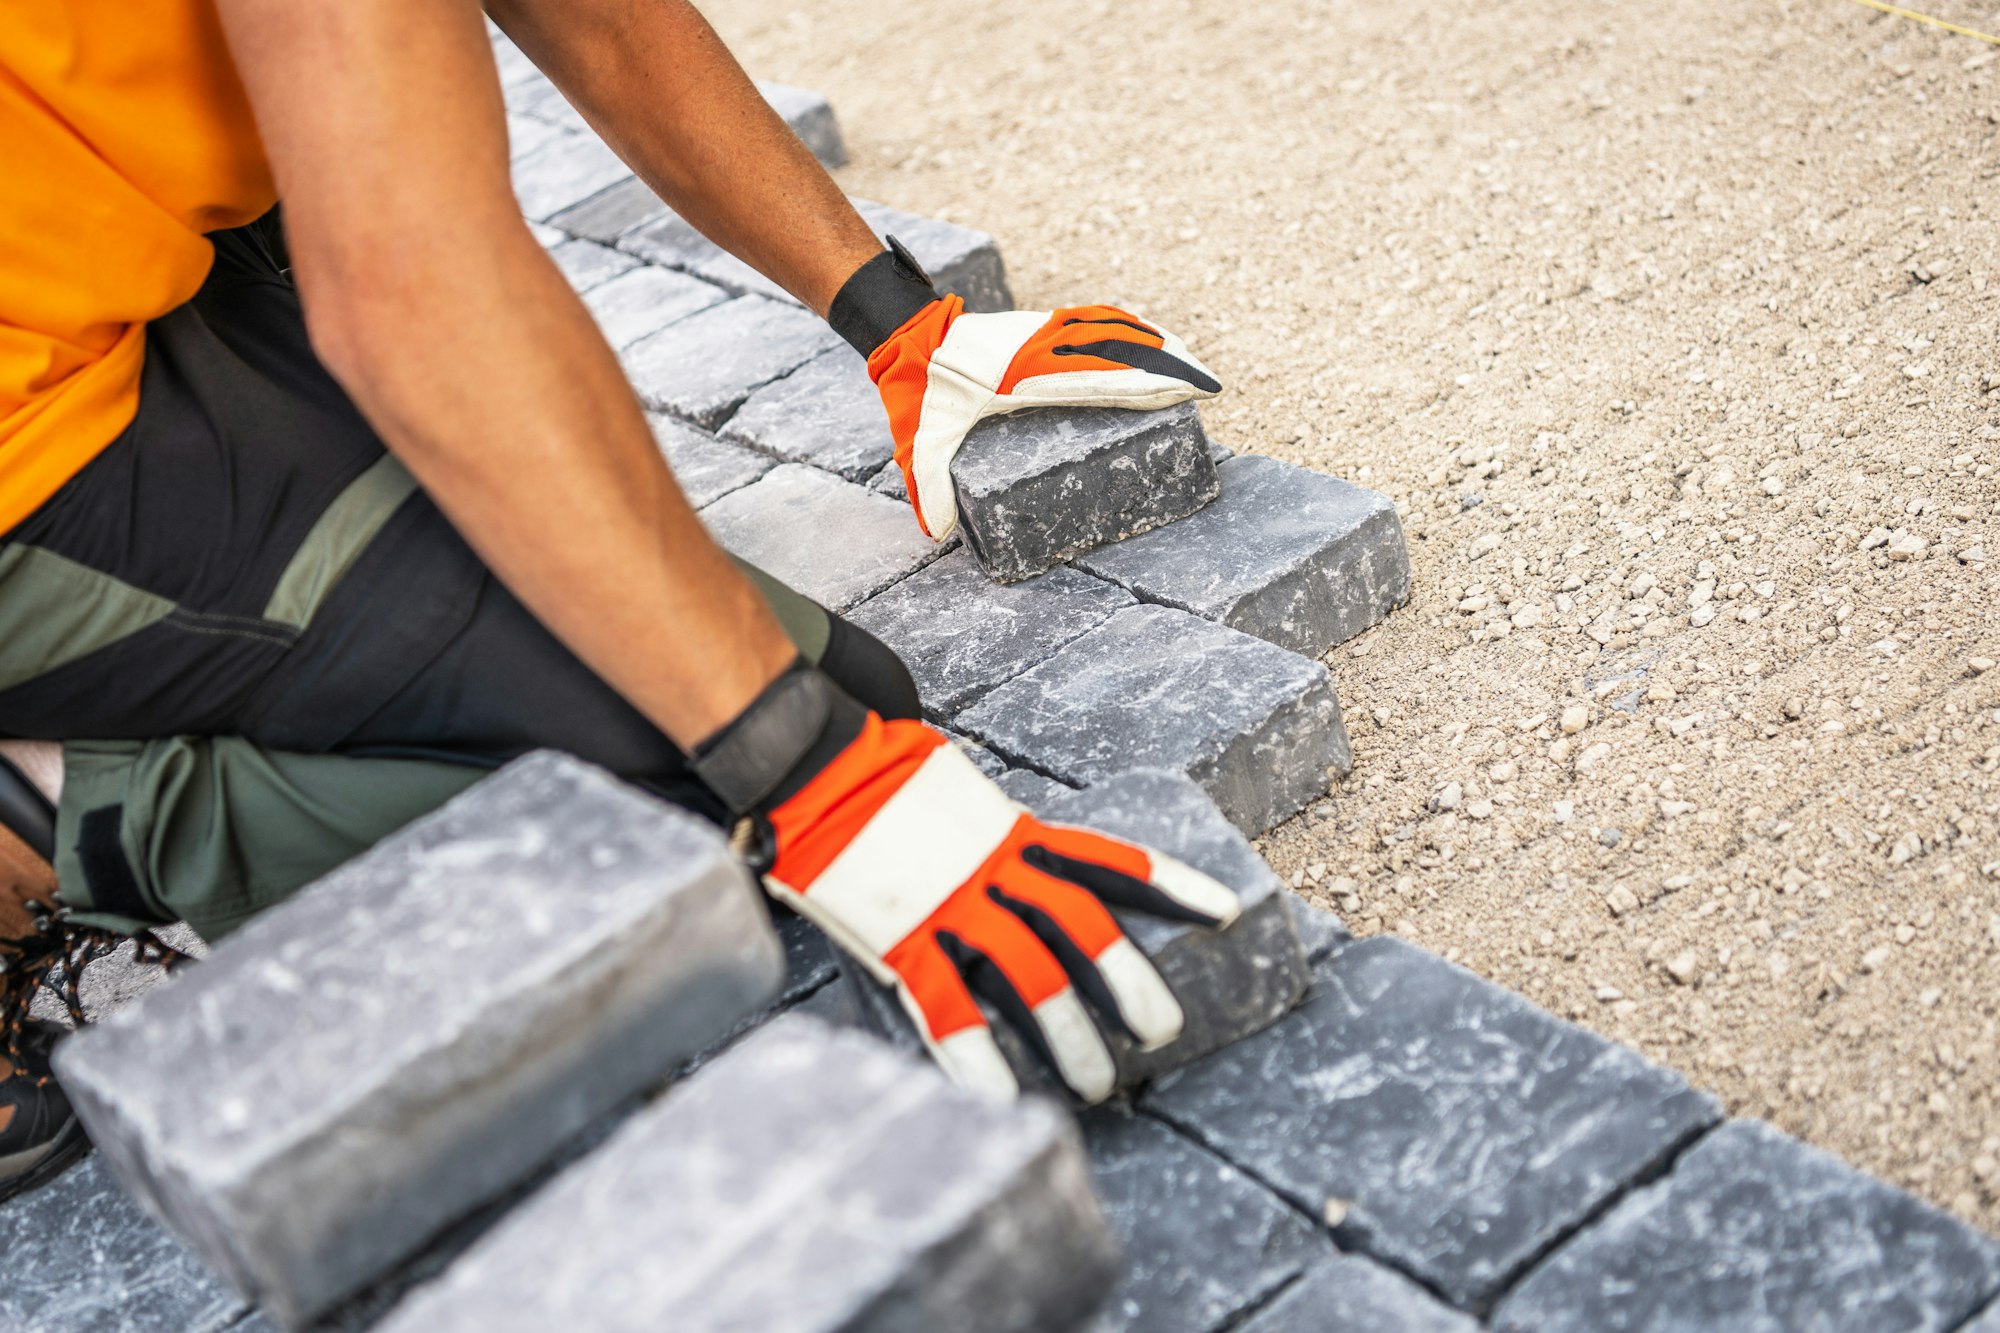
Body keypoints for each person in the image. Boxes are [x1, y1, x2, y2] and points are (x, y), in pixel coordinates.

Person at [0, 0, 1234, 1202]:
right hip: (28, 457)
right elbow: (409, 285)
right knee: (695, 788)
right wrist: (818, 775)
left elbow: (593, 17)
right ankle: (49, 813)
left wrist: (897, 326)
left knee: (834, 701)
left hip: (137, 274)